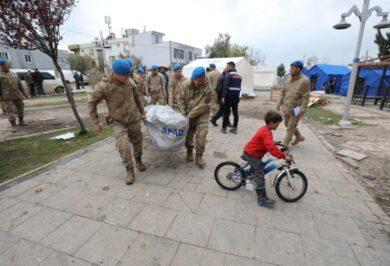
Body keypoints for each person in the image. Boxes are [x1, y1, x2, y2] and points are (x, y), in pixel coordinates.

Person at [88, 59, 146, 185]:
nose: (126, 78)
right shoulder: (104, 86)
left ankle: (138, 160)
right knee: (123, 146)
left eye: (127, 75)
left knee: (138, 142)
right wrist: (95, 122)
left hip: (133, 118)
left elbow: (137, 98)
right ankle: (129, 170)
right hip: (118, 121)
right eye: (124, 75)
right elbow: (92, 103)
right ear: (115, 73)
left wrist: (142, 112)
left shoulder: (130, 82)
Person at [243, 111, 292, 207]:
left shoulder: (265, 129)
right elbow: (271, 148)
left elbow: (267, 142)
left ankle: (248, 173)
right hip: (252, 155)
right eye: (277, 124)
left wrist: (274, 142)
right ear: (271, 123)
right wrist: (283, 156)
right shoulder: (266, 132)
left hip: (253, 153)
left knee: (259, 167)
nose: (278, 126)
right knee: (260, 175)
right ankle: (261, 199)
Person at [179, 66, 212, 168]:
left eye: (199, 80)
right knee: (189, 135)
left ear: (204, 78)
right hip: (188, 113)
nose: (197, 82)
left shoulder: (208, 89)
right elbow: (180, 99)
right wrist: (183, 112)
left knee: (201, 134)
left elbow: (203, 105)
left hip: (202, 113)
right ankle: (189, 151)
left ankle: (199, 156)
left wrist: (189, 115)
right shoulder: (185, 85)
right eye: (195, 79)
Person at [277, 60, 310, 146]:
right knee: (286, 124)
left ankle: (285, 144)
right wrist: (278, 103)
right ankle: (299, 137)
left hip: (296, 109)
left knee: (290, 127)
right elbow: (282, 92)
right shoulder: (287, 79)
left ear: (298, 69)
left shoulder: (304, 81)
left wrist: (302, 109)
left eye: (292, 68)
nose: (290, 70)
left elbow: (305, 97)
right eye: (290, 68)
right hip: (286, 107)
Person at [0, 58, 28, 130]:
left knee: (21, 108)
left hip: (17, 95)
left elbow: (20, 85)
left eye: (6, 64)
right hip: (7, 97)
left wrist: (25, 94)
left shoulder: (14, 74)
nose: (5, 66)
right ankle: (13, 125)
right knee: (10, 111)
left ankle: (21, 121)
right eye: (3, 65)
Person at [221, 61, 242, 134]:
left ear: (231, 67)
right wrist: (239, 96)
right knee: (235, 113)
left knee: (226, 112)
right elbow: (239, 88)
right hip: (236, 97)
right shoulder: (239, 76)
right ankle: (235, 128)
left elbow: (225, 87)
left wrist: (223, 97)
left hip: (228, 97)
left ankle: (224, 128)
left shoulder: (228, 75)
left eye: (228, 66)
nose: (227, 68)